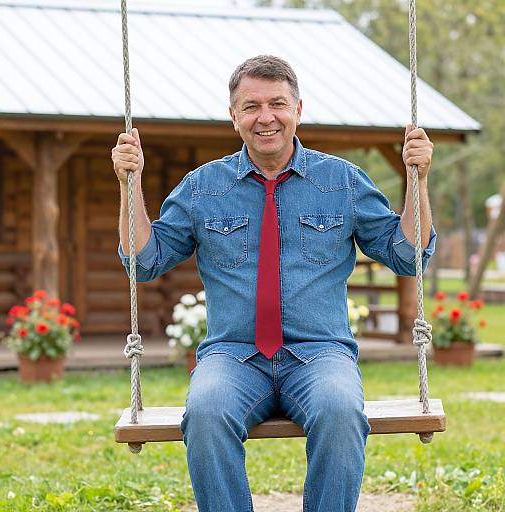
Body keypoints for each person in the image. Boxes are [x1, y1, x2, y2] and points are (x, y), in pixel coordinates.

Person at [112, 55, 436, 512]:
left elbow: (408, 256)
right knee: (204, 414)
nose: (265, 117)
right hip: (234, 355)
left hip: (320, 353)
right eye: (251, 106)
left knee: (342, 412)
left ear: (298, 109)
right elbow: (144, 263)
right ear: (234, 116)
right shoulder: (203, 187)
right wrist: (131, 184)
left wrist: (417, 180)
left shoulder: (341, 181)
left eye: (277, 104)